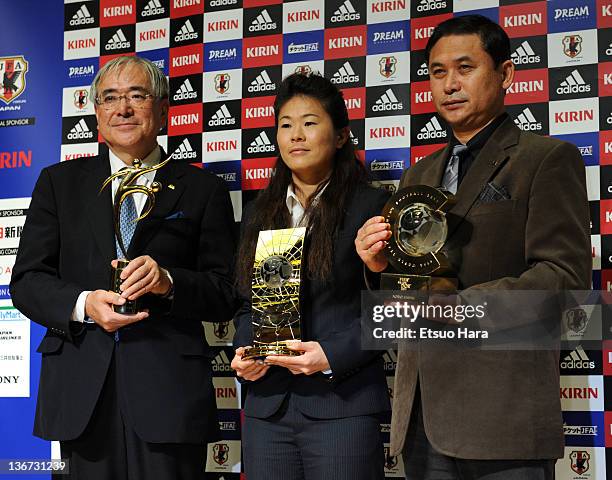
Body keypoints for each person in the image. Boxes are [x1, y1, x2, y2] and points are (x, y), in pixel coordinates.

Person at [355, 15, 592, 480]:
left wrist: (458, 310)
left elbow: (564, 278)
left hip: (502, 416)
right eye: (437, 72)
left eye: (465, 67)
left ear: (506, 74)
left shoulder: (545, 159)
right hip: (421, 416)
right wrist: (377, 265)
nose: (449, 84)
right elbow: (405, 293)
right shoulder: (416, 176)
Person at [10, 56, 237, 480]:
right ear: (97, 113)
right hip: (80, 394)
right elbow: (26, 282)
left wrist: (169, 282)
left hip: (168, 393)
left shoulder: (203, 189)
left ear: (164, 108)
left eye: (137, 95)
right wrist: (83, 304)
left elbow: (225, 292)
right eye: (110, 98)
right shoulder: (58, 184)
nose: (123, 108)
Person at [231, 72, 391, 480]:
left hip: (341, 405)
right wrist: (248, 351)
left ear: (339, 136)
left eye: (309, 122)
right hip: (268, 408)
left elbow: (392, 308)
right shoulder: (260, 212)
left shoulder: (371, 207)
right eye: (285, 125)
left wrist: (332, 355)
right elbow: (248, 305)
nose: (295, 136)